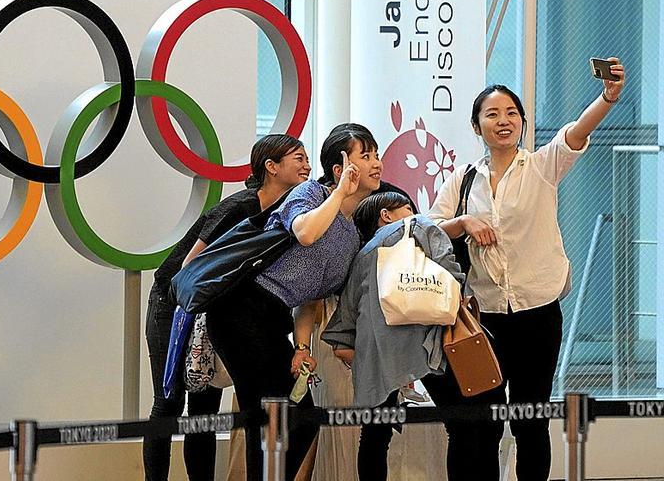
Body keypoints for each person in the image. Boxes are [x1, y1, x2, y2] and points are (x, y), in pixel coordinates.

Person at [426, 58, 626, 480]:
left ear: (522, 121)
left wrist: (607, 98)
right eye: (492, 114)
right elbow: (428, 232)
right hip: (485, 320)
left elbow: (577, 132)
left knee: (530, 419)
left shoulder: (540, 167)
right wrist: (463, 223)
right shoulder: (462, 180)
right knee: (484, 422)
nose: (504, 121)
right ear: (476, 125)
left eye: (512, 113)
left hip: (537, 313)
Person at [205, 128, 383, 481]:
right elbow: (306, 232)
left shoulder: (351, 236)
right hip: (239, 308)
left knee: (296, 422)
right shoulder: (311, 194)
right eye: (365, 156)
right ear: (339, 167)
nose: (376, 163)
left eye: (376, 154)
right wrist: (339, 196)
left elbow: (312, 297)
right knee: (275, 418)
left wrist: (301, 347)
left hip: (273, 320)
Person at [143, 134, 311, 481]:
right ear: (271, 166)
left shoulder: (288, 215)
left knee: (205, 406)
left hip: (213, 309)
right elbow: (190, 269)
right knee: (170, 402)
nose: (307, 166)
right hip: (174, 304)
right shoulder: (240, 207)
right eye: (298, 158)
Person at [321, 192, 462, 481]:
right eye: (407, 207)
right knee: (460, 422)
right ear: (386, 214)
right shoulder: (419, 225)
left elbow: (345, 322)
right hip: (427, 340)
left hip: (376, 353)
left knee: (374, 434)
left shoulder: (361, 256)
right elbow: (450, 272)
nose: (414, 211)